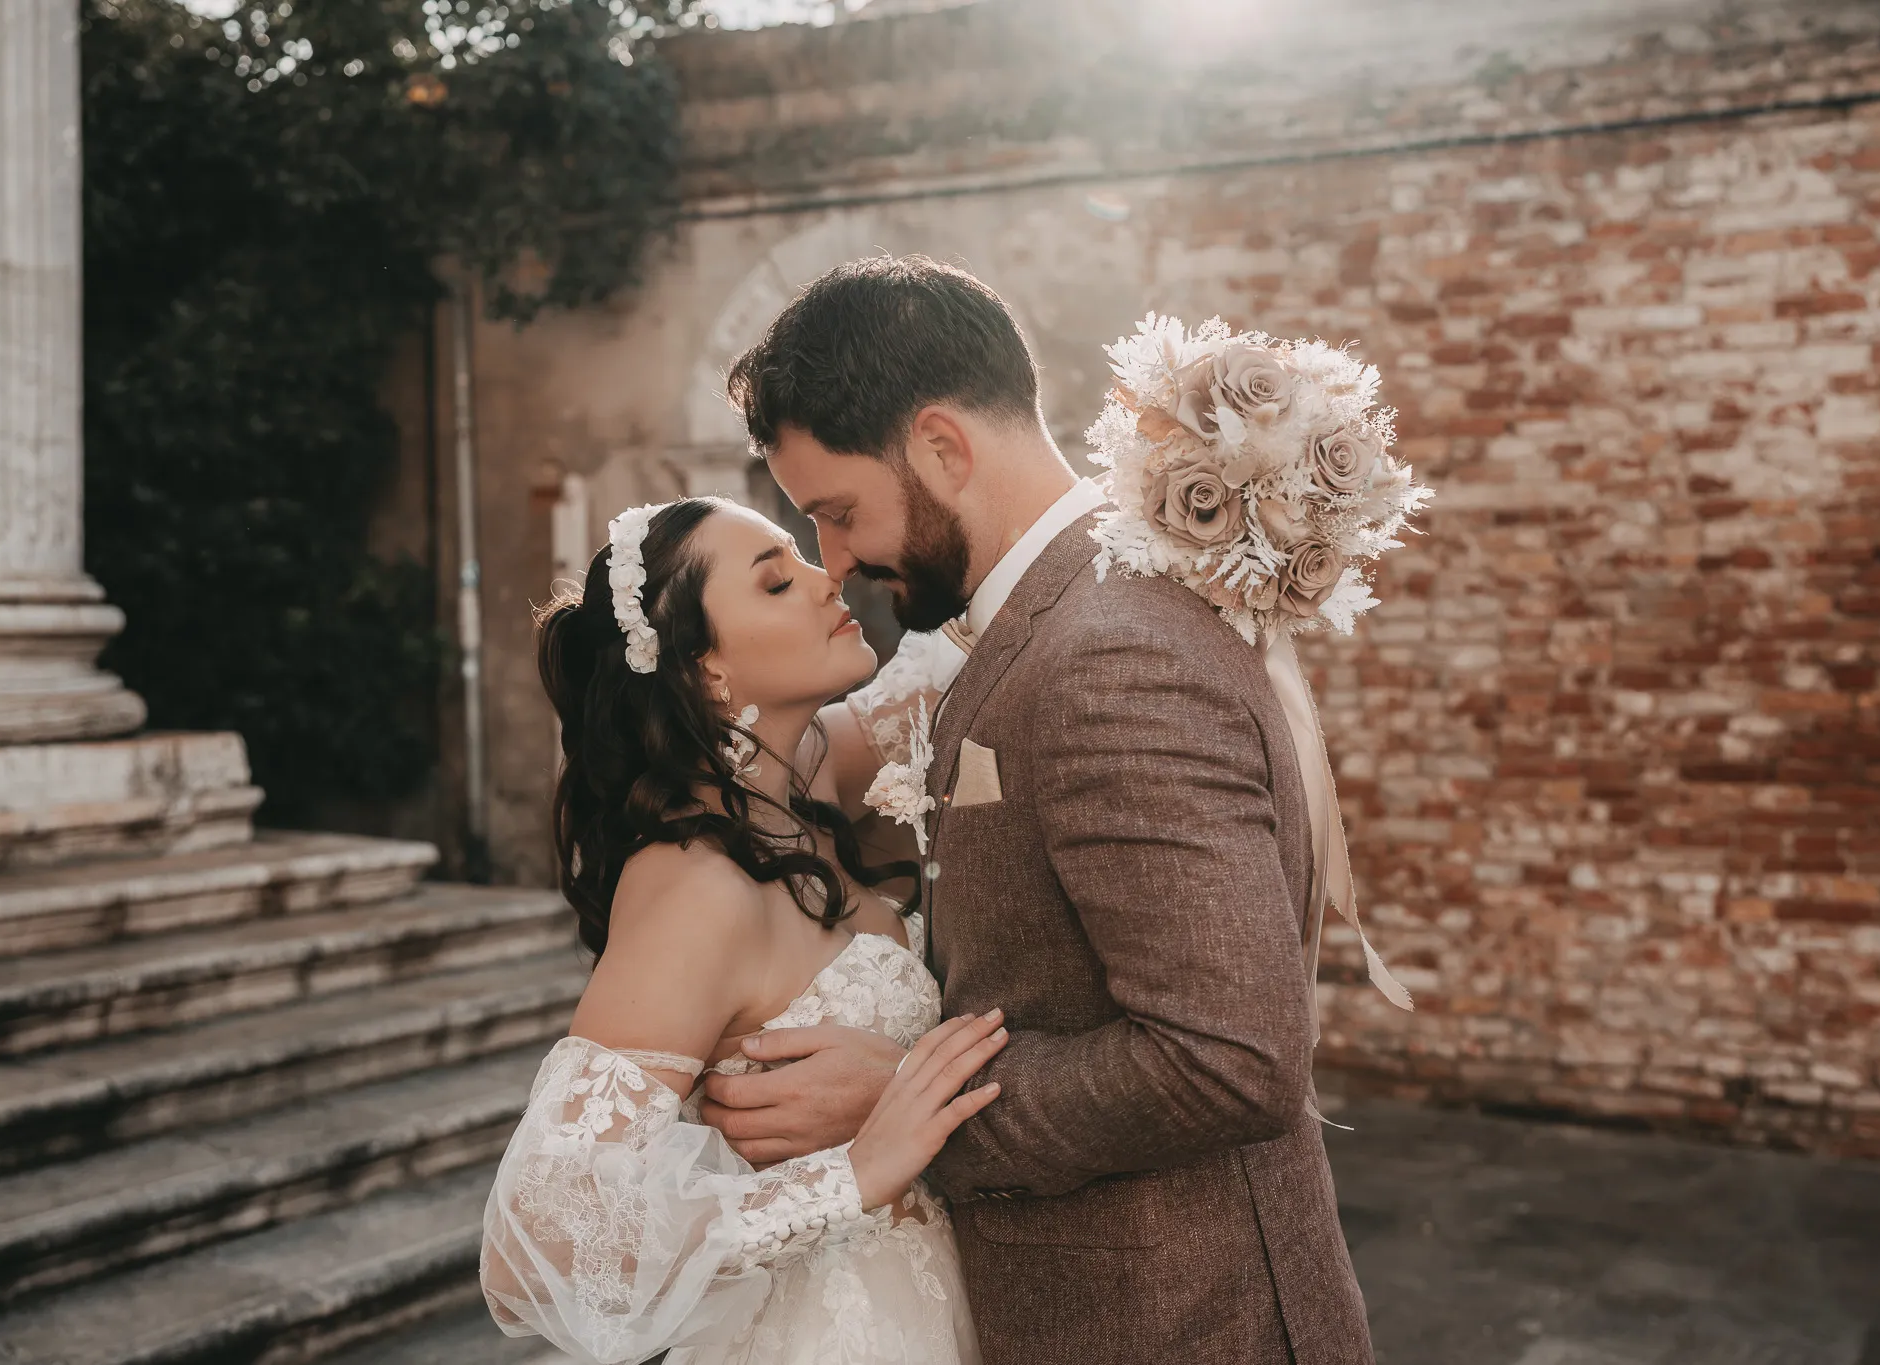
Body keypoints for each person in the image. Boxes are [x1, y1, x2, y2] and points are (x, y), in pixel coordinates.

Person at [706, 255, 1377, 1364]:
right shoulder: (1047, 621)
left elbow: (1231, 1058)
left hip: (1181, 1326)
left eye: (835, 511)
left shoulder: (1106, 652)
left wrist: (906, 1103)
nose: (835, 562)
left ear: (939, 448)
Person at [479, 495, 996, 1364]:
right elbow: (537, 1235)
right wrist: (853, 1175)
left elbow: (979, 651)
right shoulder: (693, 882)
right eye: (774, 580)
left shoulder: (802, 788)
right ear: (707, 669)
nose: (825, 578)